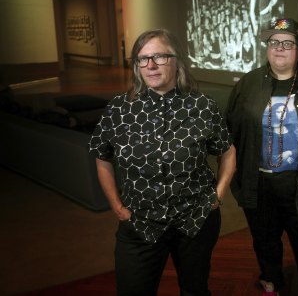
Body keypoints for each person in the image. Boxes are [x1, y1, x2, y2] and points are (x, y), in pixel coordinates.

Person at [88, 29, 236, 296]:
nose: (151, 65)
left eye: (159, 56)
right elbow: (102, 157)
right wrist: (118, 207)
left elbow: (227, 151)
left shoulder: (202, 106)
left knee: (195, 290)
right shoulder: (119, 109)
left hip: (195, 220)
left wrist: (218, 194)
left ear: (177, 60)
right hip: (139, 222)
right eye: (142, 59)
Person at [226, 18, 298, 295]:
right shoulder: (247, 85)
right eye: (274, 42)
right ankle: (270, 277)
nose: (279, 48)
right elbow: (231, 135)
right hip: (259, 185)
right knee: (264, 240)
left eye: (287, 43)